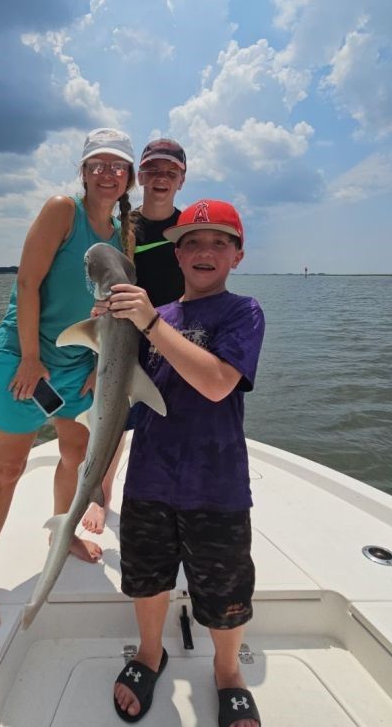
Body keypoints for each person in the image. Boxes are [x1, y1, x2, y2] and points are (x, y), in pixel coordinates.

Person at [0, 128, 136, 630]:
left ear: (128, 179)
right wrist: (31, 360)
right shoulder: (64, 210)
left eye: (118, 166)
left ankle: (61, 532)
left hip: (79, 361)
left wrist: (100, 367)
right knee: (7, 470)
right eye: (98, 165)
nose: (108, 174)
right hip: (28, 357)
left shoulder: (124, 234)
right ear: (83, 172)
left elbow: (113, 313)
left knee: (75, 456)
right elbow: (26, 281)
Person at [108, 199, 265, 726]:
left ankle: (227, 673)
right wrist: (106, 338)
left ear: (238, 256)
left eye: (220, 242)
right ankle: (150, 653)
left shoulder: (243, 312)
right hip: (149, 477)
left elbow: (218, 383)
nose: (205, 251)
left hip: (215, 485)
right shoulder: (153, 317)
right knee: (147, 580)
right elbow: (126, 395)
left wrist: (149, 321)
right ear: (176, 254)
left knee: (223, 593)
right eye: (192, 242)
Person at [81, 138, 186, 535]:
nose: (161, 178)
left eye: (170, 172)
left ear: (182, 179)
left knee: (172, 419)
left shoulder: (187, 226)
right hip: (126, 337)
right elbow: (101, 286)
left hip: (174, 334)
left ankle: (170, 492)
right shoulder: (123, 226)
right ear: (139, 176)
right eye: (153, 170)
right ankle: (102, 494)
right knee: (116, 419)